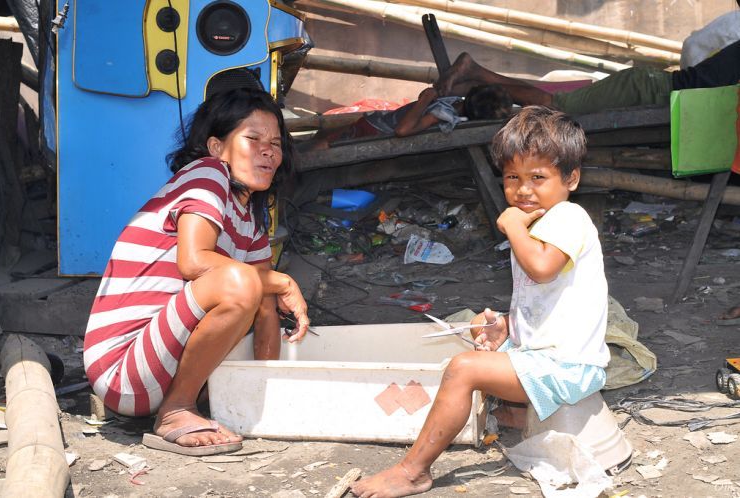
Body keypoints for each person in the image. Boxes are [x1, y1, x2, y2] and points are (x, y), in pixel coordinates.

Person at [352, 106, 610, 498]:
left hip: (570, 367)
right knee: (478, 326)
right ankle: (515, 414)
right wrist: (509, 323)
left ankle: (412, 471)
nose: (523, 190)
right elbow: (550, 297)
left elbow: (541, 269)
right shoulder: (539, 222)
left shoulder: (568, 218)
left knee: (463, 369)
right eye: (512, 177)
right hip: (549, 355)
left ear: (571, 178)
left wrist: (510, 225)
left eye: (537, 177)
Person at [82, 88, 310, 455]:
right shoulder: (207, 174)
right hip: (123, 371)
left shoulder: (249, 218)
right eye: (253, 139)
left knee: (255, 288)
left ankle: (184, 400)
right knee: (241, 282)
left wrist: (268, 392)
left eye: (276, 143)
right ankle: (176, 410)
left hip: (162, 365)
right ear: (217, 147)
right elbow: (194, 260)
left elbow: (266, 308)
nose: (269, 151)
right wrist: (281, 280)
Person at [437, 39, 740, 115]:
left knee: (554, 102)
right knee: (557, 105)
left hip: (649, 86)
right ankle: (473, 71)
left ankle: (475, 76)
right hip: (646, 90)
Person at [302, 81, 513, 149]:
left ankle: (298, 161)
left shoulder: (442, 113)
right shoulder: (456, 104)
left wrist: (425, 99)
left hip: (374, 130)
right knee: (322, 137)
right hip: (373, 123)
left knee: (326, 146)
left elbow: (402, 130)